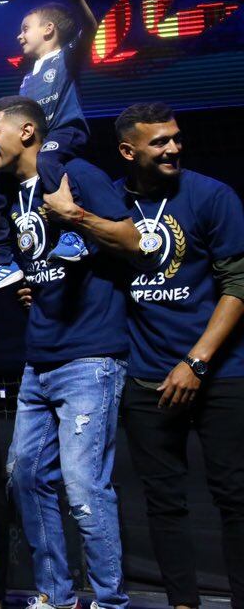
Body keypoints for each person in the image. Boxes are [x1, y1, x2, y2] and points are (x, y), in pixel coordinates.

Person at [0, 95, 140, 609]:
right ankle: (54, 595)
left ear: (26, 132)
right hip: (39, 359)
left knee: (83, 487)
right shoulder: (9, 196)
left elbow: (133, 240)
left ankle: (109, 602)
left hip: (91, 357)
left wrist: (74, 216)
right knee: (24, 477)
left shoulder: (76, 174)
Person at [113, 103, 244, 609]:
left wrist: (196, 362)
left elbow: (238, 285)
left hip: (219, 375)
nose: (173, 148)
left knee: (235, 498)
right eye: (159, 142)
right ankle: (182, 605)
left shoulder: (213, 195)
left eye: (175, 138)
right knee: (164, 505)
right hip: (148, 378)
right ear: (129, 151)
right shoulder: (110, 200)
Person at [15, 0, 98, 263]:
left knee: (47, 160)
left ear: (48, 30)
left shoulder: (66, 57)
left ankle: (73, 234)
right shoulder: (26, 79)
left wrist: (77, 0)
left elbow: (90, 28)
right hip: (43, 141)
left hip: (66, 131)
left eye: (26, 29)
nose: (19, 36)